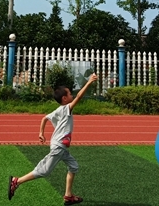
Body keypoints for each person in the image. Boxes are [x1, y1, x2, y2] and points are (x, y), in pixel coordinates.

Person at [8, 73, 98, 205]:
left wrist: (41, 133)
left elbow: (44, 118)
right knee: (44, 171)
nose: (72, 95)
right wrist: (89, 82)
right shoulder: (66, 108)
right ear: (64, 98)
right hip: (59, 146)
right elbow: (79, 96)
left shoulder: (58, 110)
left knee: (73, 166)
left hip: (61, 146)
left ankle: (68, 196)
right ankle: (17, 181)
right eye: (70, 94)